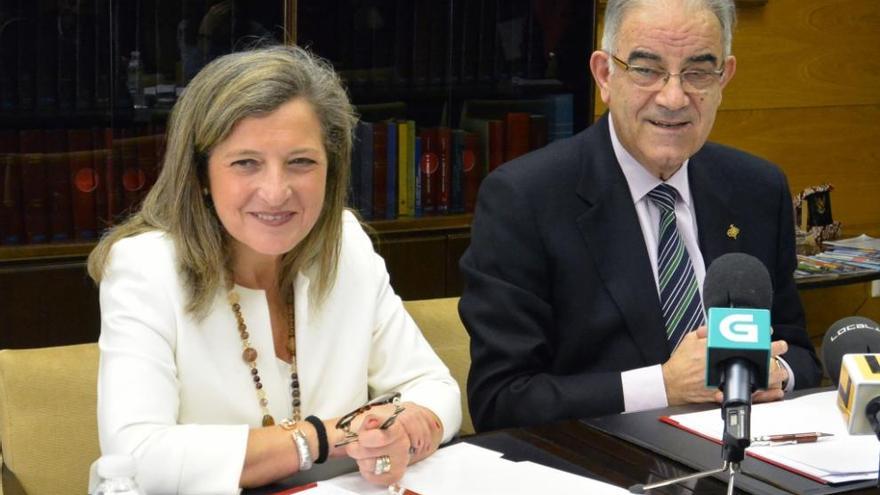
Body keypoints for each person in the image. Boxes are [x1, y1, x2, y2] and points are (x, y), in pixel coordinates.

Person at [88, 45, 461, 493]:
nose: (275, 191)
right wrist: (325, 437)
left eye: (301, 162)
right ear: (202, 175)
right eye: (246, 163)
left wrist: (405, 428)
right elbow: (137, 457)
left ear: (332, 168)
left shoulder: (345, 245)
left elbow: (433, 385)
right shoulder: (145, 268)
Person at [459, 0, 822, 432]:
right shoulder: (525, 198)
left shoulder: (757, 188)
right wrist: (663, 385)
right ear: (605, 75)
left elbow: (798, 350)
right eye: (646, 70)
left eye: (697, 72)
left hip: (746, 459)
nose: (673, 98)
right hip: (603, 468)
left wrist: (777, 373)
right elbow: (501, 399)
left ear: (724, 78)